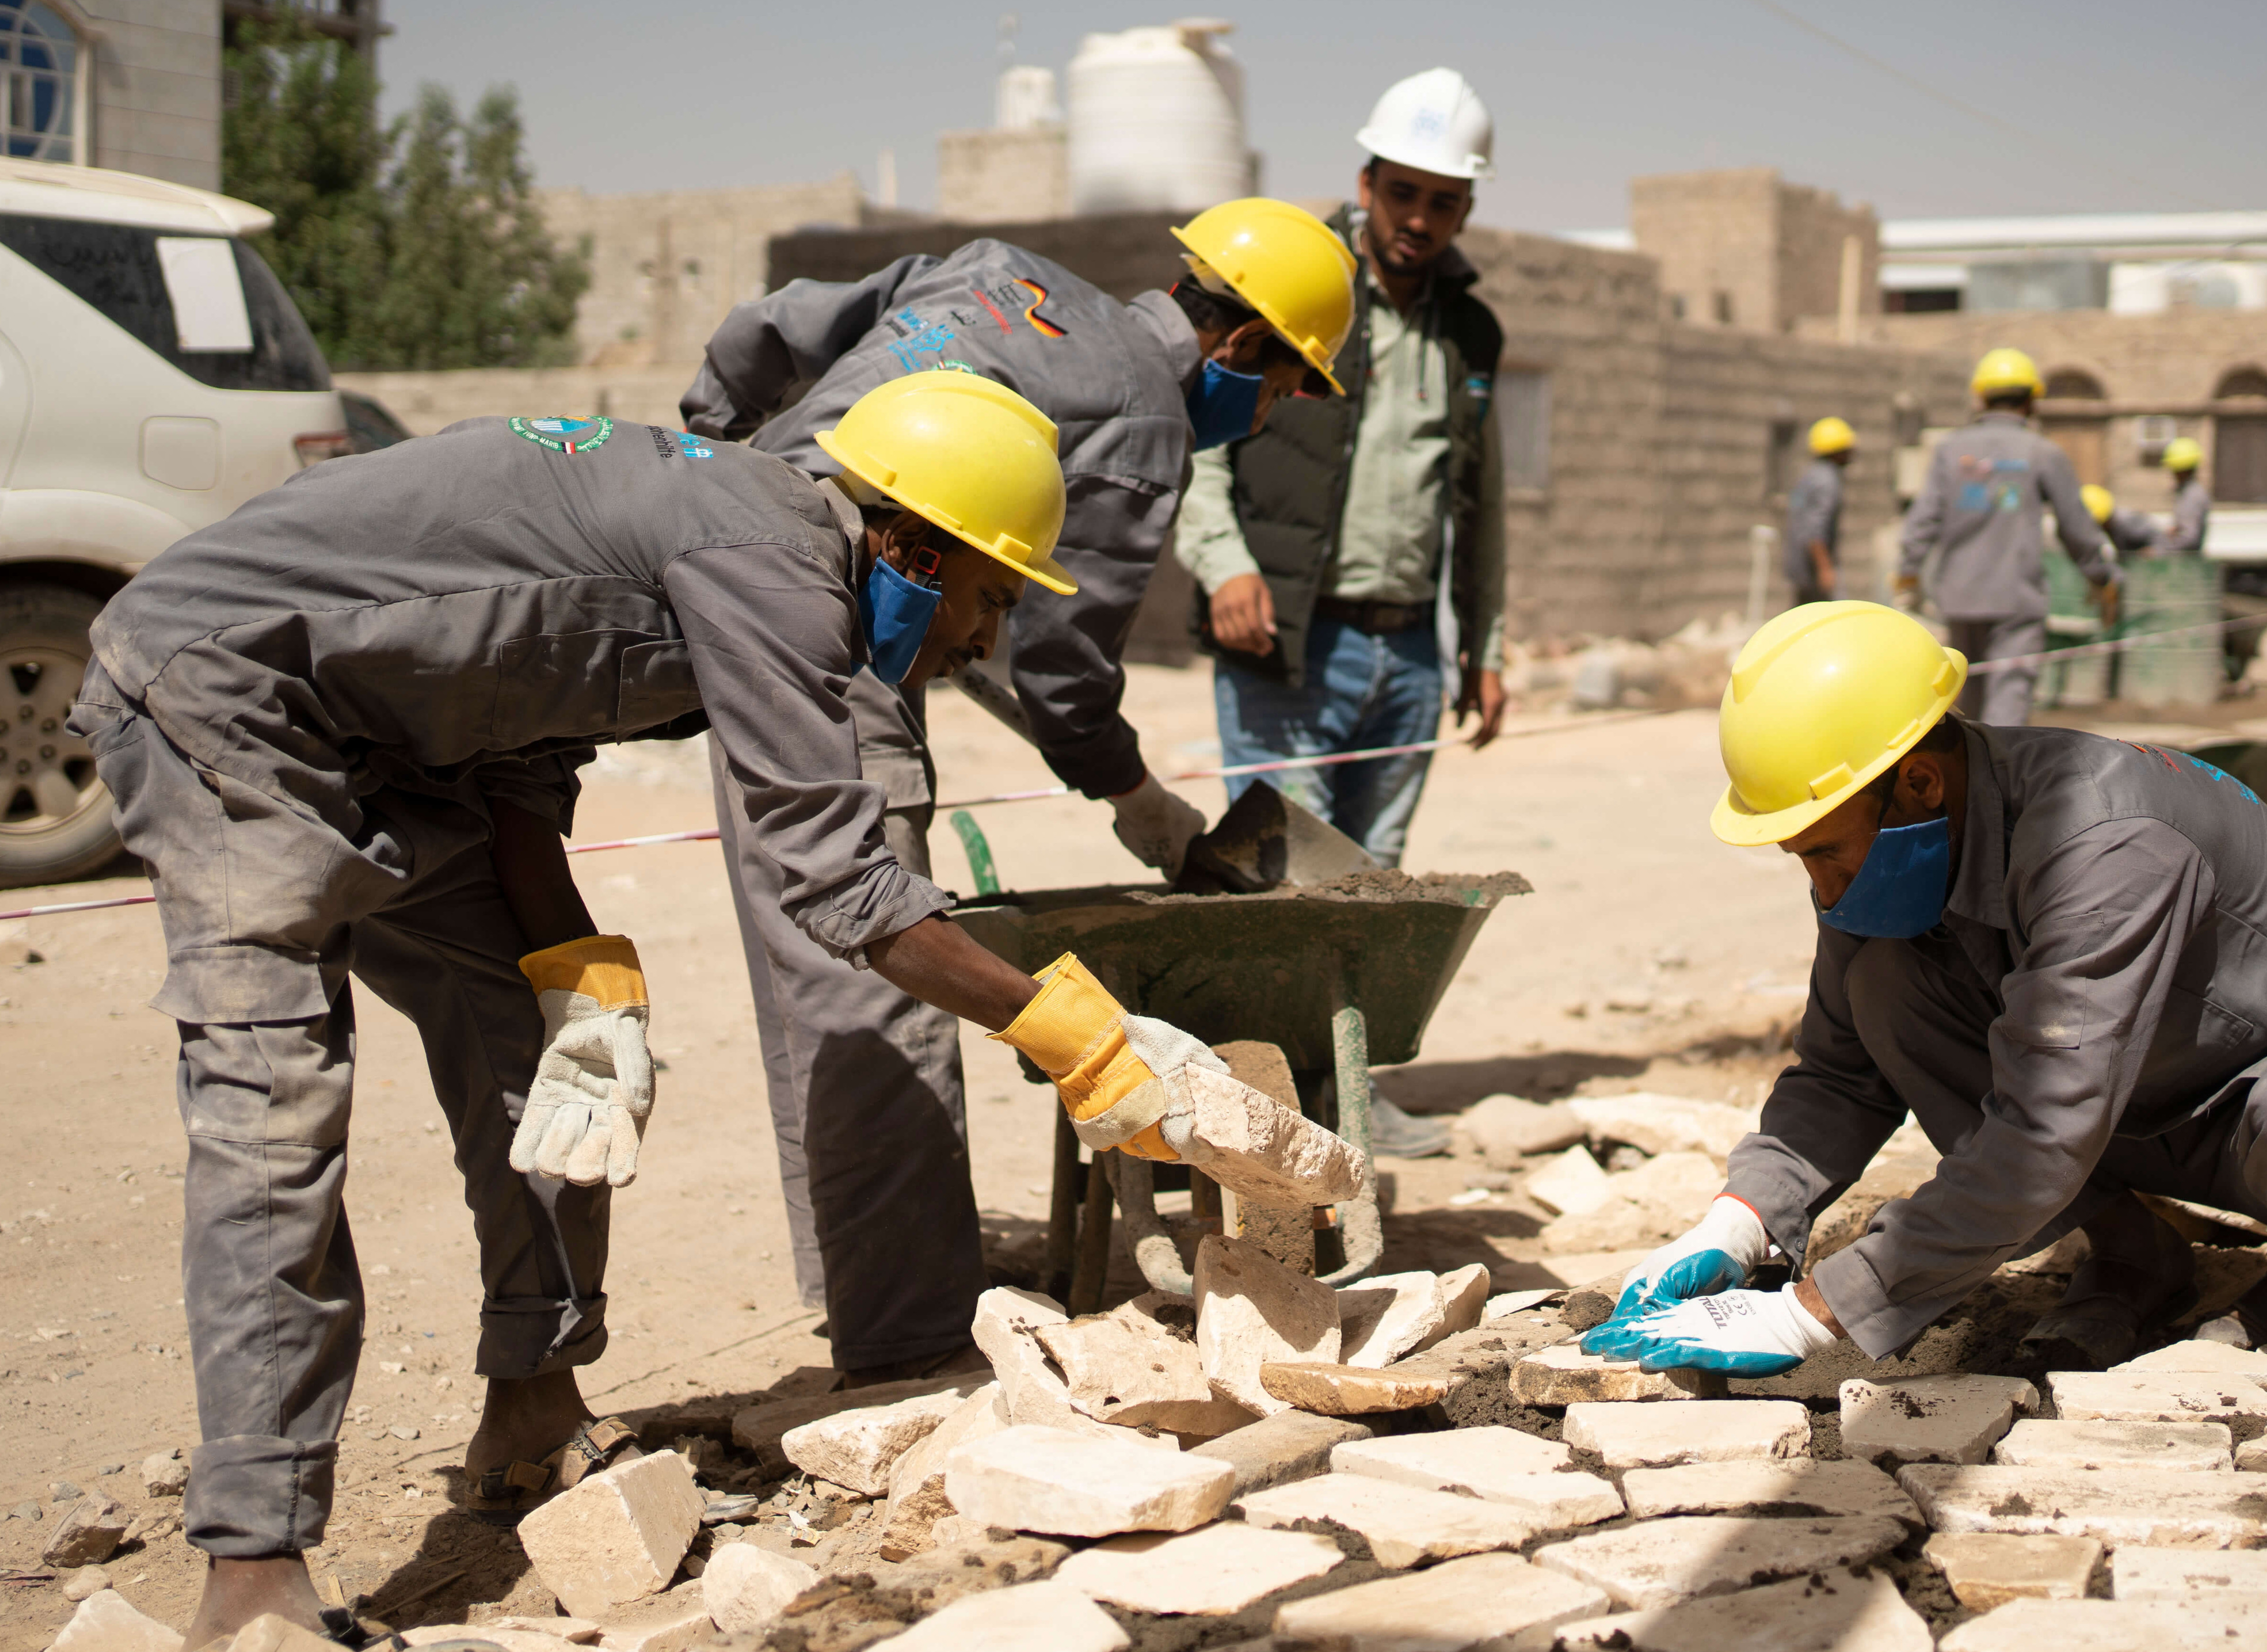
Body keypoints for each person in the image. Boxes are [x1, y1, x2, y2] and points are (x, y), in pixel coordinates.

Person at [74, 373, 1298, 1643]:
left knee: (546, 1058)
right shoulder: (772, 559)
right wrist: (1082, 1045)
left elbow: (515, 729)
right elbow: (841, 884)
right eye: (990, 600)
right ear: (914, 549)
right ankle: (252, 1564)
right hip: (226, 699)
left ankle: (534, 1400)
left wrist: (579, 973)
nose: (982, 642)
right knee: (275, 1110)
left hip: (393, 741)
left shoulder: (750, 540)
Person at [676, 200, 1354, 1380]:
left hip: (752, 564)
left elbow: (763, 331)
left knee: (820, 975)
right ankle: (911, 1349)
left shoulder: (1000, 276)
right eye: (1289, 388)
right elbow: (1060, 663)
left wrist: (718, 459)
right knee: (872, 969)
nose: (1272, 415)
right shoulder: (1144, 422)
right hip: (835, 611)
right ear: (1242, 348)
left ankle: (870, 1296)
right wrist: (1140, 801)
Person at [1580, 601, 2267, 1379]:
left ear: (1919, 781)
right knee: (1885, 981)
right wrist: (1739, 1222)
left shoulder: (2103, 841)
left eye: (1823, 848)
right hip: (2125, 1098)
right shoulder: (1899, 839)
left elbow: (2041, 1131)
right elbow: (1840, 1073)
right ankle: (2139, 1260)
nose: (1820, 887)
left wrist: (1816, 1310)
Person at [1174, 70, 1507, 1159]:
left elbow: (1478, 498)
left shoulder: (1471, 332)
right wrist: (1223, 563)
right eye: (1401, 192)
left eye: (1442, 200)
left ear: (1464, 208)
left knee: (1371, 894)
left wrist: (1483, 642)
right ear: (1365, 181)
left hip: (1408, 647)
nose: (1418, 220)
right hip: (1287, 639)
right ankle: (1274, 1111)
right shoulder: (1297, 284)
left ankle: (1350, 1100)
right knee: (1286, 890)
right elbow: (1201, 438)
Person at [1896, 348, 2119, 727]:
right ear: (2032, 399)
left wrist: (1908, 573)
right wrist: (2101, 577)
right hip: (2016, 598)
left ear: (1980, 397)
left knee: (1964, 696)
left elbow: (1923, 519)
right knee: (2008, 700)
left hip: (1959, 596)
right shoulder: (2043, 452)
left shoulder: (1951, 451)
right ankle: (1999, 781)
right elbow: (2076, 526)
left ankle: (1963, 781)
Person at [1784, 417, 1855, 603]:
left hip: (1801, 567)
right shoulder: (1827, 481)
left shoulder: (1811, 475)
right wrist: (1825, 568)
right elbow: (1816, 530)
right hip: (1813, 567)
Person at [2155, 436, 2210, 556]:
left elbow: (2189, 538)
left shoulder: (2192, 496)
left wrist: (2160, 550)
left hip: (2187, 566)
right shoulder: (2189, 493)